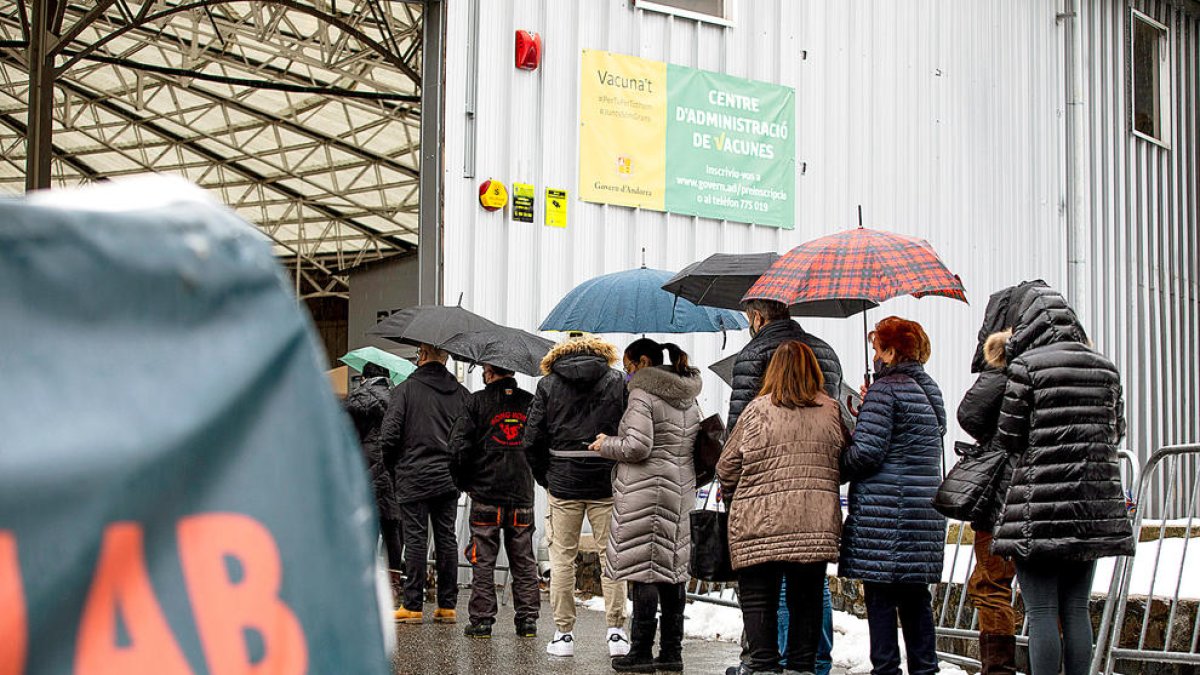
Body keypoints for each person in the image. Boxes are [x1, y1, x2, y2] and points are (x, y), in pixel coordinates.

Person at [989, 285, 1134, 675]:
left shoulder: (1027, 366)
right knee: (1075, 608)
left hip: (1039, 505)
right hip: (1091, 506)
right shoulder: (1105, 367)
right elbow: (1115, 431)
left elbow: (1009, 435)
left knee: (1040, 611)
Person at [718, 341, 848, 675]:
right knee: (806, 601)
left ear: (772, 372)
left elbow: (726, 466)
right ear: (815, 371)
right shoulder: (831, 410)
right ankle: (802, 668)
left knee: (760, 598)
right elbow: (845, 461)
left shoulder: (757, 411)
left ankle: (764, 667)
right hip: (814, 524)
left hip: (760, 522)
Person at [587, 339, 702, 673]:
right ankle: (671, 652)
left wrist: (606, 443)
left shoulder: (642, 394)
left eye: (628, 365)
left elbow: (638, 446)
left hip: (645, 490)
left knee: (644, 572)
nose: (626, 372)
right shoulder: (687, 395)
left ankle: (639, 652)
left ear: (643, 361)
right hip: (680, 490)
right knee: (671, 571)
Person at [840, 316, 946, 675]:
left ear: (890, 350)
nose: (874, 354)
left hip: (885, 517)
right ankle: (925, 669)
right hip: (923, 515)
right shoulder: (929, 390)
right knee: (917, 600)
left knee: (882, 601)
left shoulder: (886, 391)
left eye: (877, 348)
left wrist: (845, 446)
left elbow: (866, 455)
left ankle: (885, 670)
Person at [956, 282, 1045, 675]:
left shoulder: (1008, 362)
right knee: (1051, 594)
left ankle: (999, 670)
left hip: (1005, 497)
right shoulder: (1071, 357)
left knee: (991, 584)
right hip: (1055, 494)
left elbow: (970, 414)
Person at [524, 335, 630, 657]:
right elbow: (629, 429)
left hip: (563, 482)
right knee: (611, 558)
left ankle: (564, 635)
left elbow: (532, 439)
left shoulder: (548, 384)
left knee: (562, 561)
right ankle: (615, 633)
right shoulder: (617, 381)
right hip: (606, 481)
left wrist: (547, 477)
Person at [379, 343, 469, 624]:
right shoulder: (462, 395)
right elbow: (468, 439)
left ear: (424, 355)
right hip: (448, 478)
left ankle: (413, 606)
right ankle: (447, 606)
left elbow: (389, 437)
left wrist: (395, 468)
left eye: (418, 353)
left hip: (413, 475)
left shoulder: (405, 390)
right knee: (446, 538)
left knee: (416, 539)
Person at [448, 363, 540, 639]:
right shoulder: (530, 402)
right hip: (522, 494)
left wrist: (464, 483)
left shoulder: (476, 402)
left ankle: (482, 622)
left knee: (483, 559)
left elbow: (458, 447)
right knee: (523, 559)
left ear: (489, 371)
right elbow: (540, 443)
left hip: (486, 494)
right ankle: (527, 622)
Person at [344, 362, 405, 605]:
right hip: (391, 469)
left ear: (366, 377)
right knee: (392, 528)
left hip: (365, 467)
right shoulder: (398, 398)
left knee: (366, 527)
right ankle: (394, 586)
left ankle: (365, 584)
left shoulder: (356, 398)